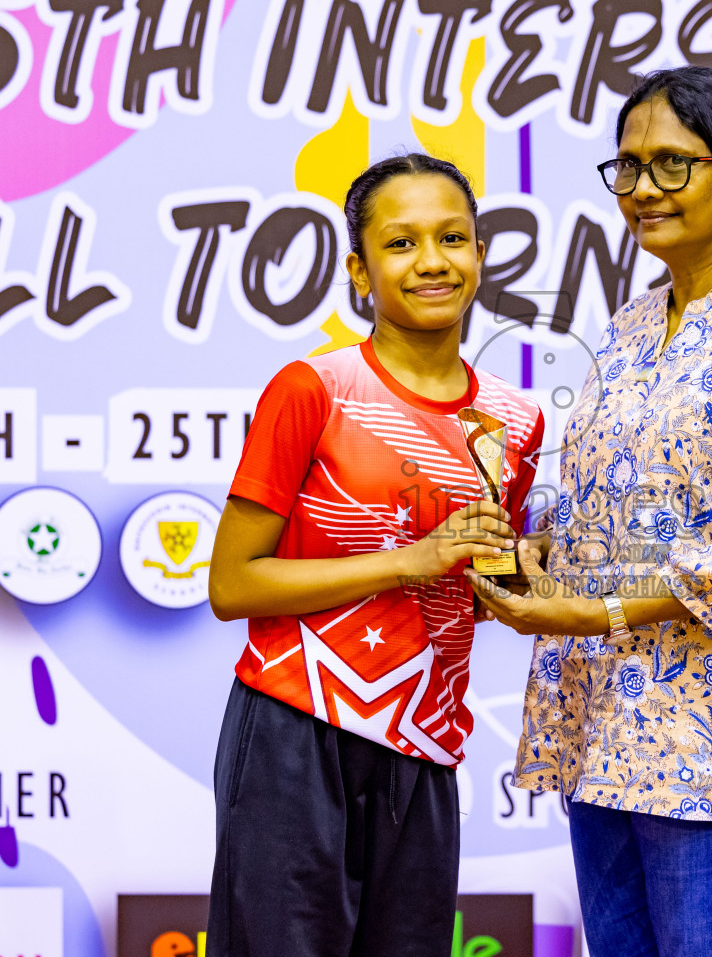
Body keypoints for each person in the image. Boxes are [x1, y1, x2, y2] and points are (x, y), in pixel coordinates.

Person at [469, 66, 712, 957]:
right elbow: (604, 508)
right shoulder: (633, 324)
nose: (643, 190)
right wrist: (522, 554)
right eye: (629, 167)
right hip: (604, 725)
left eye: (673, 166)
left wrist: (587, 608)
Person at [205, 153, 545, 957]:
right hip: (298, 726)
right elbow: (231, 584)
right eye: (401, 244)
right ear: (360, 270)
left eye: (452, 238)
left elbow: (481, 596)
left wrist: (526, 574)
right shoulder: (313, 389)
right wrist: (410, 561)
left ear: (481, 254)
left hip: (426, 742)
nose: (432, 262)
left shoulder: (515, 419)